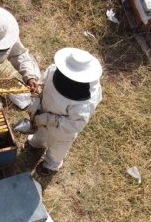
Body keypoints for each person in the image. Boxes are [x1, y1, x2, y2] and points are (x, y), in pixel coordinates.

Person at [24, 47, 103, 176]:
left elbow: (75, 125)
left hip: (62, 130)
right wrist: (35, 101)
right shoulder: (54, 70)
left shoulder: (87, 100)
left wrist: (49, 119)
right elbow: (41, 85)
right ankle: (37, 144)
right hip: (43, 111)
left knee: (58, 147)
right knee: (40, 131)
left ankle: (51, 165)